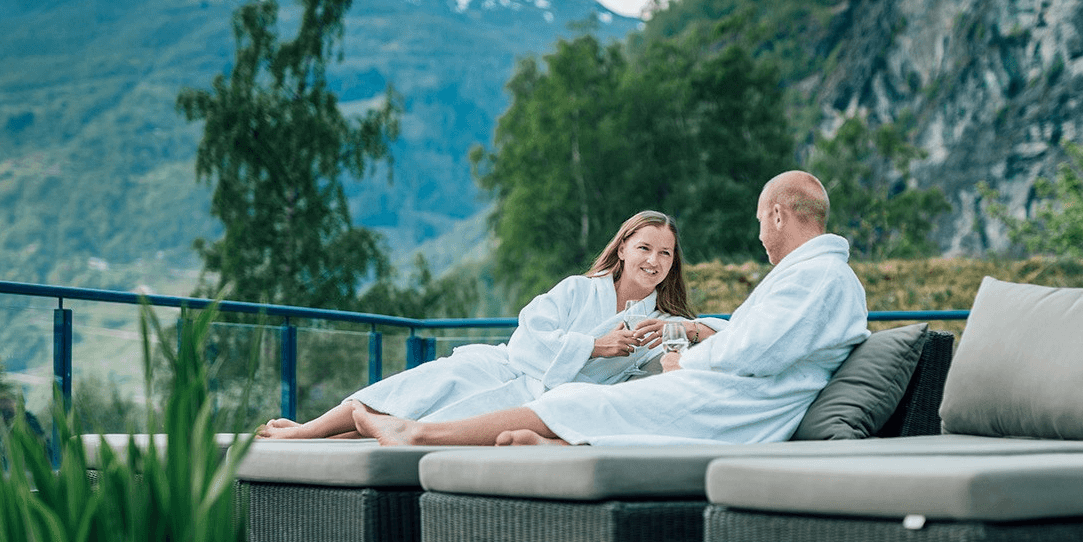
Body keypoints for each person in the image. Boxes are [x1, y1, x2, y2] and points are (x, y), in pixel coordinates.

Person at [352, 170, 869, 446]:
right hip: (730, 394)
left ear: (776, 214)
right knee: (546, 391)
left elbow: (755, 350)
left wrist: (685, 359)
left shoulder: (818, 277)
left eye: (759, 222)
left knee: (579, 403)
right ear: (622, 248)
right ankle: (552, 449)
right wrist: (693, 337)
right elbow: (758, 343)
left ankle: (418, 433)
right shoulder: (813, 277)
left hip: (733, 406)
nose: (760, 235)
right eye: (644, 248)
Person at [256, 210, 722, 439]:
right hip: (513, 368)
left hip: (554, 400)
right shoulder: (579, 290)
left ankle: (361, 430)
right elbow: (528, 335)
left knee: (441, 415)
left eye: (665, 253)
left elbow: (723, 339)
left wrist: (687, 332)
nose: (654, 260)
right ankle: (308, 430)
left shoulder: (661, 324)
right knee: (440, 377)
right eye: (645, 248)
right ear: (622, 249)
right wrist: (594, 345)